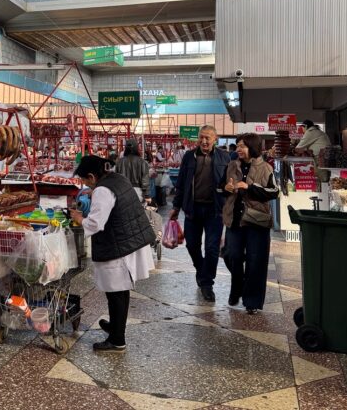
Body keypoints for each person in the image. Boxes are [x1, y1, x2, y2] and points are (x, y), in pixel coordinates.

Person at [70, 156, 154, 352]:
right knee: (119, 291)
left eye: (84, 180)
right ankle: (116, 326)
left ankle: (117, 339)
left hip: (120, 246)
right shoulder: (117, 178)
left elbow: (95, 223)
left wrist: (79, 218)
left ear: (92, 176)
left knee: (116, 293)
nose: (84, 184)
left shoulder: (102, 190)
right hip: (129, 241)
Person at [170, 126, 230, 301]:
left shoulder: (224, 157)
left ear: (215, 139)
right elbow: (181, 184)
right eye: (202, 137)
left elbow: (230, 183)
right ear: (198, 138)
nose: (204, 141)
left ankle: (207, 283)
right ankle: (201, 269)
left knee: (212, 249)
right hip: (193, 209)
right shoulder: (189, 157)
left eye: (208, 138)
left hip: (215, 211)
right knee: (192, 246)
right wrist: (176, 207)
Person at [222, 133, 279, 314]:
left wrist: (250, 187)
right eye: (237, 146)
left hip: (257, 221)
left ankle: (252, 301)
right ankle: (238, 287)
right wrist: (226, 188)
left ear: (252, 147)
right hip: (235, 220)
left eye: (242, 146)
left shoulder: (266, 168)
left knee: (256, 262)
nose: (238, 149)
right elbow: (220, 186)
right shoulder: (231, 166)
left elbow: (273, 192)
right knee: (231, 256)